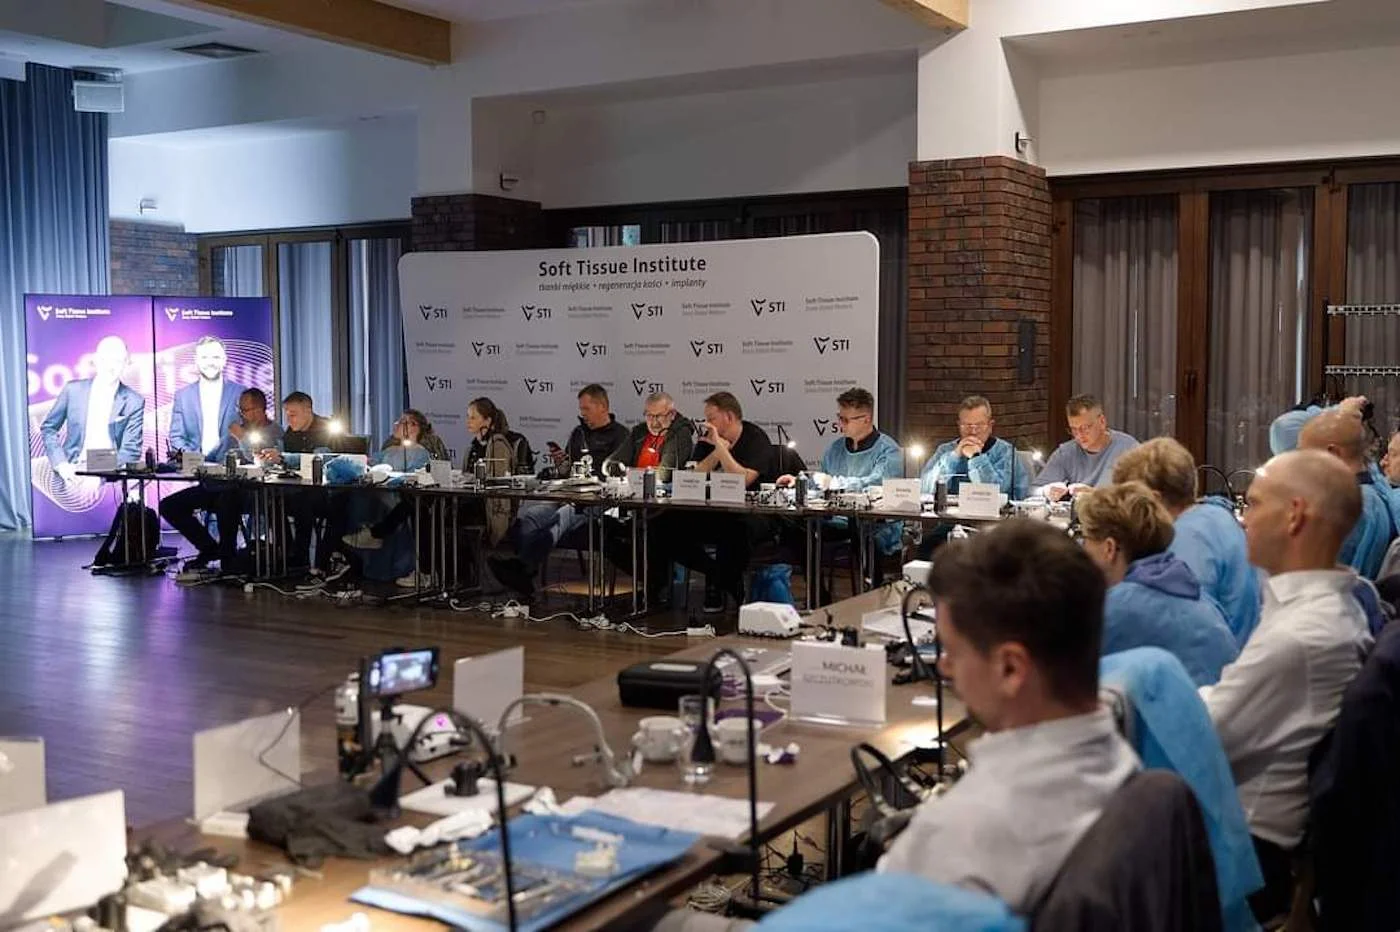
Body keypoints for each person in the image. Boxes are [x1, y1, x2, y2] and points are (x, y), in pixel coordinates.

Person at [877, 520, 1140, 912]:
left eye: (953, 651)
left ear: (1011, 669)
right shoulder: (1125, 761)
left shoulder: (957, 835)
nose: (943, 666)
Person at [1201, 449, 1371, 923]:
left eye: (1253, 503)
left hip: (1245, 858)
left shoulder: (1303, 634)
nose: (1242, 518)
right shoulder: (1333, 608)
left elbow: (1202, 737)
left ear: (1294, 515)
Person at [1076, 482, 1239, 686]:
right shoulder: (1198, 596)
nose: (1082, 549)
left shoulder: (1115, 608)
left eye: (1086, 539)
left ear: (1109, 548)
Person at [1112, 437, 1262, 646]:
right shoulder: (1216, 516)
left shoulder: (1188, 539)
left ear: (1154, 499)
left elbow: (1182, 629)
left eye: (1127, 502)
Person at [488, 384, 628, 599]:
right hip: (568, 494)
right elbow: (568, 471)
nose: (583, 414)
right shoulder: (578, 433)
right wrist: (562, 464)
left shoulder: (621, 436)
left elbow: (620, 477)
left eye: (586, 409)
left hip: (598, 503)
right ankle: (522, 572)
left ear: (602, 407)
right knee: (531, 517)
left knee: (563, 516)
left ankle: (523, 568)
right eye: (581, 409)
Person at [652, 391, 779, 612]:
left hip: (753, 513)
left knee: (736, 531)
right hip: (714, 509)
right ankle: (717, 575)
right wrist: (715, 452)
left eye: (711, 418)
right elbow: (694, 475)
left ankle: (722, 586)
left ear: (728, 417)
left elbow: (743, 480)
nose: (706, 423)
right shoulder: (708, 438)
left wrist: (721, 449)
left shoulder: (754, 437)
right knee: (663, 524)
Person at [161, 388, 284, 578]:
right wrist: (185, 460)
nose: (242, 415)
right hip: (216, 486)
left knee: (227, 499)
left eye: (246, 410)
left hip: (248, 492)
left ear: (260, 409)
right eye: (240, 410)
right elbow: (211, 458)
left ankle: (229, 557)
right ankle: (209, 548)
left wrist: (242, 438)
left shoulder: (273, 431)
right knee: (170, 505)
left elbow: (263, 461)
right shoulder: (233, 432)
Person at [1298, 408, 1396, 579]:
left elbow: (1319, 578)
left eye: (1305, 456)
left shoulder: (1348, 507)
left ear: (1332, 453)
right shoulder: (1376, 494)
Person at [41, 335, 145, 479]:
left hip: (111, 477)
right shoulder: (73, 390)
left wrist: (92, 464)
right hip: (69, 472)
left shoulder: (134, 401)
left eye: (117, 361)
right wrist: (60, 463)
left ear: (126, 363)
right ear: (96, 360)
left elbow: (131, 451)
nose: (110, 367)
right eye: (105, 359)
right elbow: (49, 429)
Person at [918, 395, 1028, 500]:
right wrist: (954, 457)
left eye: (979, 425)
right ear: (959, 425)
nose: (973, 432)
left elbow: (994, 493)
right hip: (952, 512)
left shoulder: (1006, 452)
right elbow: (925, 489)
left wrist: (976, 458)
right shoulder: (945, 450)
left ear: (990, 426)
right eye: (967, 425)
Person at [1033, 394, 1139, 501]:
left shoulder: (1128, 448)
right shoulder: (1066, 452)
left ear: (1102, 422)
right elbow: (1032, 490)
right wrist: (1045, 491)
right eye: (1074, 429)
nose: (1079, 435)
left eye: (1085, 428)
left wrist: (1096, 496)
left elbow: (1141, 496)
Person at [168, 336, 246, 462]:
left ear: (224, 360)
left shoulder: (241, 392)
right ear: (196, 360)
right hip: (193, 467)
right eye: (204, 357)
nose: (210, 363)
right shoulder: (183, 396)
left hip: (231, 466)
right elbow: (176, 437)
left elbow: (249, 432)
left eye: (215, 357)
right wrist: (193, 459)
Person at [603, 392, 695, 482]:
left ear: (672, 415)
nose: (654, 423)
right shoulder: (639, 431)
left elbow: (665, 474)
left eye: (659, 416)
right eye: (649, 416)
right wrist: (616, 468)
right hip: (632, 488)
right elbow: (608, 464)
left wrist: (630, 474)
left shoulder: (680, 434)